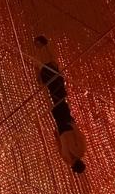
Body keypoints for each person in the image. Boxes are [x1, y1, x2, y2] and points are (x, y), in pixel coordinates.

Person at [33, 36, 86, 172]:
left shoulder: (68, 158)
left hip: (62, 126)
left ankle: (40, 54)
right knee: (58, 98)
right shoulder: (78, 152)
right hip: (66, 123)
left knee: (55, 100)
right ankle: (44, 48)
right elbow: (78, 136)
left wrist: (57, 135)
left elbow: (60, 146)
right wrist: (71, 124)